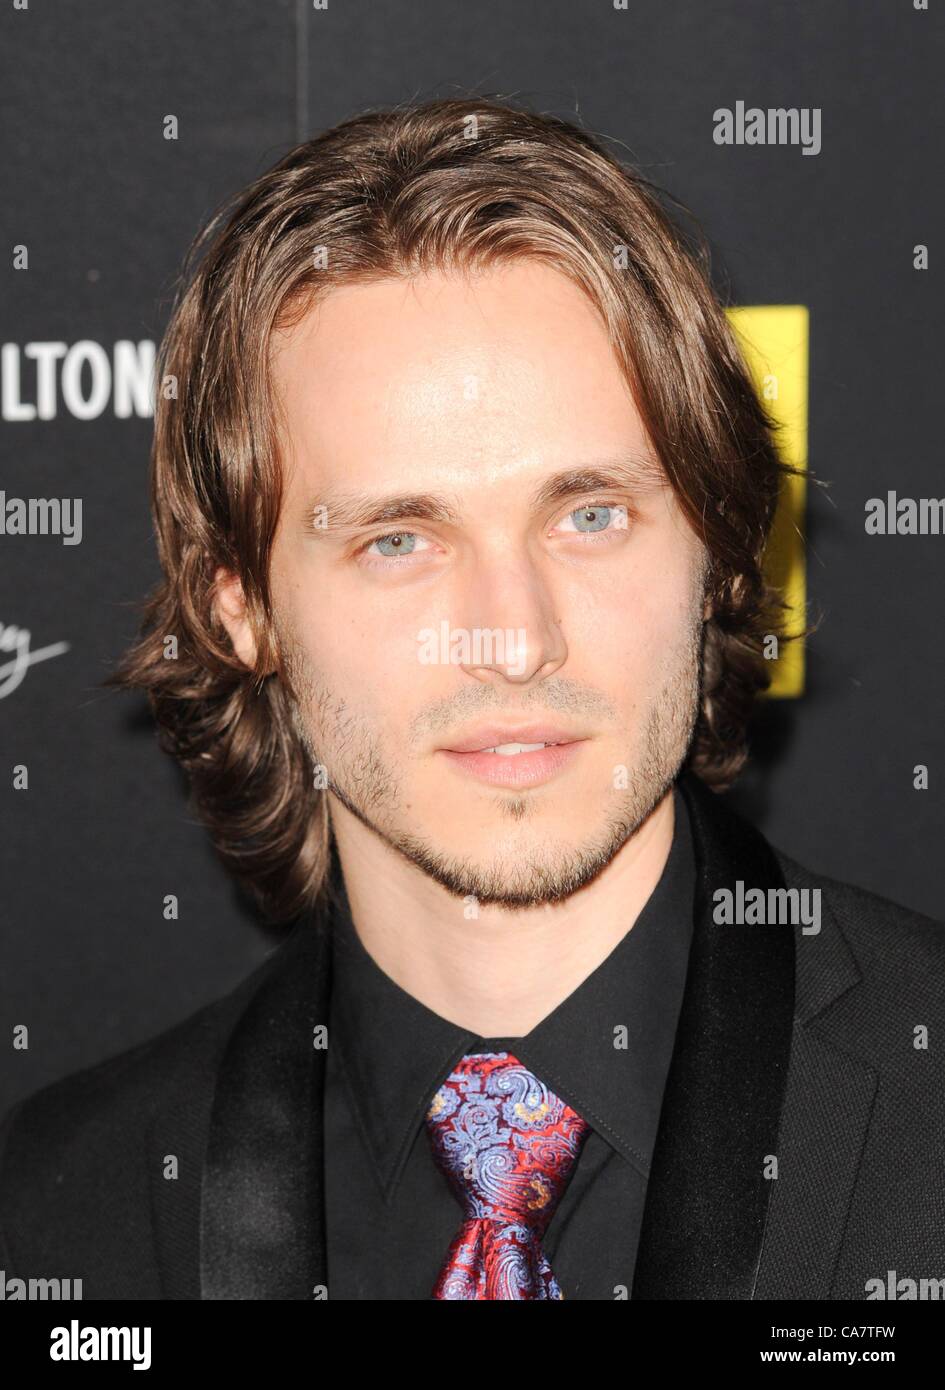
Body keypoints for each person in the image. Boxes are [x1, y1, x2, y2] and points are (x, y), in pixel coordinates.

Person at [1, 96, 942, 1302]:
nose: (513, 637)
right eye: (401, 539)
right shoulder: (62, 1224)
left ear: (713, 547)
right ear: (240, 606)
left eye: (589, 515)